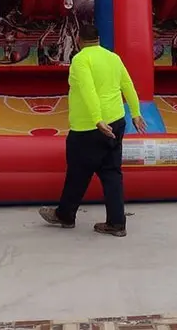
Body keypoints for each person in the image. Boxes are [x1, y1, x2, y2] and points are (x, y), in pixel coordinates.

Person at [39, 23, 146, 236]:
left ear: (79, 40)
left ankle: (65, 215)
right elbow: (128, 85)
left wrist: (97, 119)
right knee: (112, 174)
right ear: (98, 39)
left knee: (77, 174)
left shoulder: (80, 60)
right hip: (116, 122)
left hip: (89, 128)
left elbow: (88, 90)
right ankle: (116, 223)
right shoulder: (113, 58)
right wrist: (135, 113)